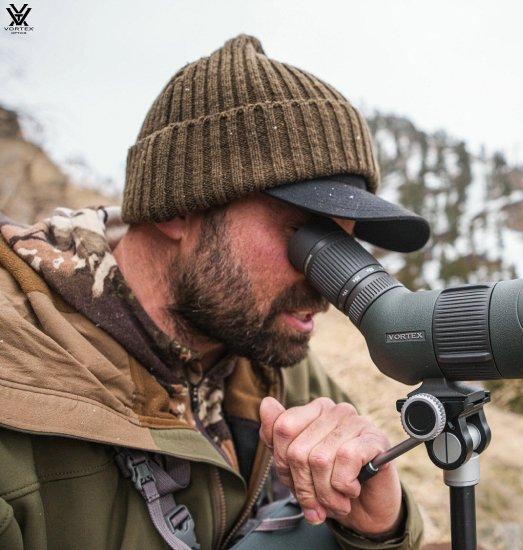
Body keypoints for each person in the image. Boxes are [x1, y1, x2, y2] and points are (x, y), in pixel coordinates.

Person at [0, 34, 430, 549]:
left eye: (343, 247)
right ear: (177, 209)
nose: (326, 285)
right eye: (303, 237)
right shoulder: (21, 380)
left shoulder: (270, 360)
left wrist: (380, 526)